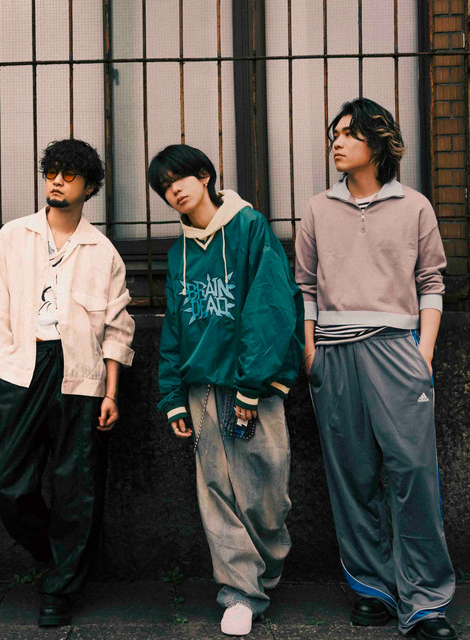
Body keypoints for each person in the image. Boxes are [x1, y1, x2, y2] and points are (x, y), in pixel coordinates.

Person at [296, 98, 456, 640]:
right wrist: (311, 351)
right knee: (352, 474)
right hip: (334, 354)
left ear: (378, 142)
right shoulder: (318, 209)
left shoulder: (415, 207)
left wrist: (423, 352)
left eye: (349, 134)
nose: (337, 143)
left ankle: (426, 600)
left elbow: (432, 282)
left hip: (397, 348)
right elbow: (306, 288)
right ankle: (373, 588)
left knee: (414, 472)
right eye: (334, 135)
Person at [0, 138, 135, 627]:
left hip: (82, 374)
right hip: (22, 367)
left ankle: (61, 586)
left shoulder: (102, 252)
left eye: (69, 175)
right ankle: (56, 555)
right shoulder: (13, 236)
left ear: (89, 187)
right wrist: (5, 360)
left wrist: (111, 392)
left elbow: (117, 328)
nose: (57, 182)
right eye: (51, 173)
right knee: (4, 480)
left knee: (77, 485)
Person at [150, 144, 303, 637]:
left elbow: (270, 304)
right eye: (163, 187)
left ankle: (265, 569)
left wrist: (251, 387)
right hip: (201, 389)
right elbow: (174, 326)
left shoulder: (249, 227)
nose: (173, 190)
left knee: (267, 495)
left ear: (205, 175)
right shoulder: (178, 252)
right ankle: (239, 592)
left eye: (179, 178)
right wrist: (172, 395)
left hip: (253, 386)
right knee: (215, 493)